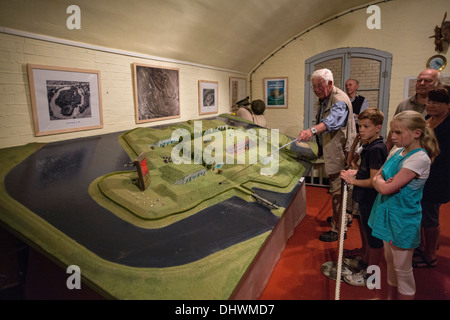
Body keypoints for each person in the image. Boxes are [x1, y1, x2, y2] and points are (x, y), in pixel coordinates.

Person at [368, 110, 440, 300]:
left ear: (417, 133)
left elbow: (382, 187)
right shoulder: (396, 150)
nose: (393, 136)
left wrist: (382, 183)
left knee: (403, 271)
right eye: (392, 132)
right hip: (386, 214)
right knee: (390, 263)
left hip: (402, 219)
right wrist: (383, 182)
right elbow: (378, 177)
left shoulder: (419, 158)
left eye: (398, 132)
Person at [298, 68, 357, 242]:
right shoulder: (324, 98)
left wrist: (311, 131)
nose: (316, 90)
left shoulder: (339, 100)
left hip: (341, 153)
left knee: (338, 191)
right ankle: (342, 218)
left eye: (319, 86)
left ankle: (338, 230)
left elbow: (333, 121)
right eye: (313, 86)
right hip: (333, 150)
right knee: (338, 189)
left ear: (330, 84)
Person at [340, 108, 387, 286]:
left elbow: (374, 181)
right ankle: (365, 262)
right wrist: (354, 143)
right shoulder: (367, 146)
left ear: (378, 128)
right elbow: (351, 160)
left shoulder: (376, 149)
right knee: (366, 233)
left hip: (371, 197)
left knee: (374, 238)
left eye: (366, 126)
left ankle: (372, 277)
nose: (361, 130)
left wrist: (353, 179)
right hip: (364, 197)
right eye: (360, 126)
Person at [413, 85, 450, 268]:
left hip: (439, 176)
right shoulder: (428, 118)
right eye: (428, 101)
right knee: (421, 213)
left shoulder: (448, 125)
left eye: (436, 102)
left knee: (430, 215)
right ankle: (421, 246)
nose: (430, 105)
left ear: (448, 105)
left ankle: (430, 256)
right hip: (423, 173)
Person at [386, 69, 442, 150]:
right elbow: (393, 130)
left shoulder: (442, 107)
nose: (422, 83)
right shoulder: (404, 105)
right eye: (419, 80)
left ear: (438, 84)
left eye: (427, 81)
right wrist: (385, 152)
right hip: (408, 153)